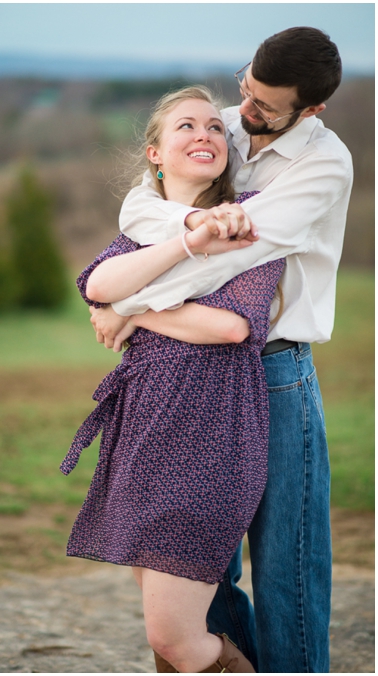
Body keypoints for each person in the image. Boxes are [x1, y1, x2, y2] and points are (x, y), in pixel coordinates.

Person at [92, 28, 351, 673]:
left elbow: (242, 250)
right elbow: (143, 206)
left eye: (265, 105)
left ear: (310, 109)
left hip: (273, 368)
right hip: (184, 376)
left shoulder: (324, 164)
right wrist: (189, 229)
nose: (245, 111)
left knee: (287, 564)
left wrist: (132, 304)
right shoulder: (224, 126)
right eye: (246, 88)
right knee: (204, 569)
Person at [61, 85, 284, 673]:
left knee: (175, 636)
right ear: (155, 153)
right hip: (144, 432)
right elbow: (98, 287)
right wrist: (181, 246)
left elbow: (231, 325)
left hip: (210, 431)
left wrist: (134, 311)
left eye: (215, 127)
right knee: (166, 637)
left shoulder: (250, 216)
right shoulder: (140, 224)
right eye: (186, 126)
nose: (204, 135)